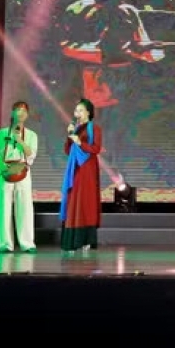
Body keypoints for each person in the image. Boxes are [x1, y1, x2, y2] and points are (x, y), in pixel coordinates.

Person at [0, 101, 39, 253]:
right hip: (4, 170)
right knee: (4, 209)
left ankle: (27, 243)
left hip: (22, 171)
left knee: (25, 209)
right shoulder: (1, 133)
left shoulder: (31, 135)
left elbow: (31, 154)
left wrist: (19, 139)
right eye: (17, 110)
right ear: (12, 113)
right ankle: (6, 244)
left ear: (27, 115)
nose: (21, 113)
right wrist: (2, 165)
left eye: (24, 110)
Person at [61, 98, 103, 252]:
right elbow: (67, 151)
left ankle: (87, 239)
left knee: (85, 201)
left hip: (87, 168)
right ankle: (73, 239)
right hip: (75, 168)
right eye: (76, 110)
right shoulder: (75, 129)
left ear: (88, 112)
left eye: (80, 110)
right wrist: (70, 136)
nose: (77, 113)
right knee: (73, 199)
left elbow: (96, 149)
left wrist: (80, 143)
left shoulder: (94, 128)